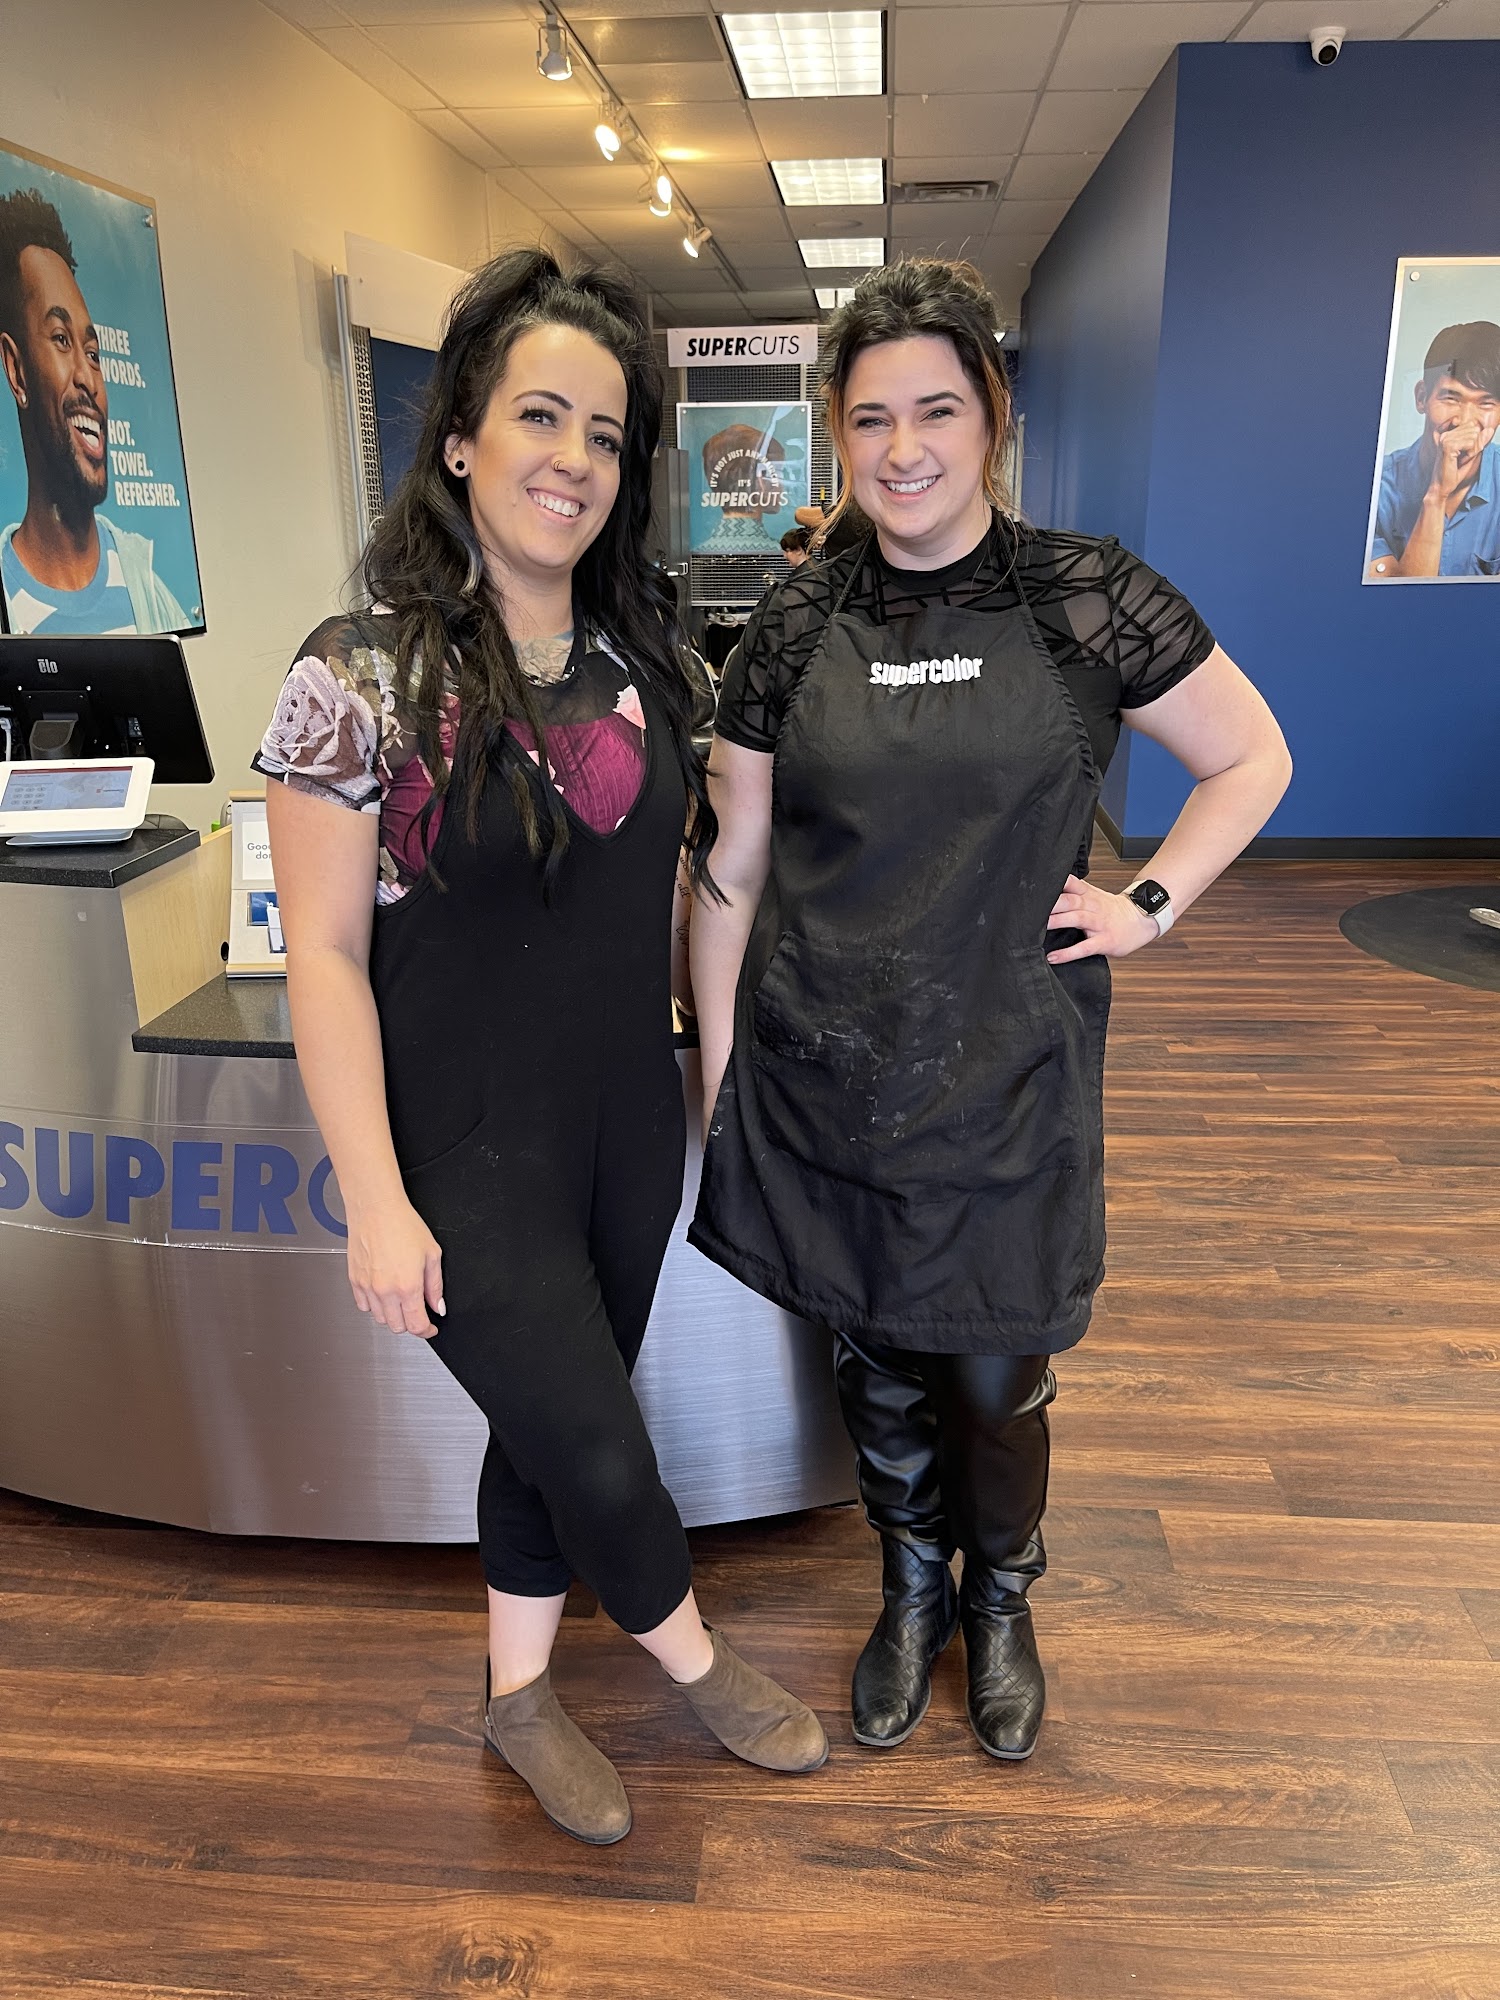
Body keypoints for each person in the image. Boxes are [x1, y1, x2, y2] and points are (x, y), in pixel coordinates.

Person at [689, 258, 1291, 1764]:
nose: (903, 449)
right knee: (873, 1353)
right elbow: (731, 863)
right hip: (829, 1054)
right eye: (871, 417)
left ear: (992, 417)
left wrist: (1148, 904)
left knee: (995, 1366)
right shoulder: (794, 620)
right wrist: (718, 1071)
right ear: (837, 430)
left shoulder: (1086, 595)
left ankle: (1000, 1593)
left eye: (937, 411)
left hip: (1011, 1057)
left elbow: (1253, 757)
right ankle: (910, 1588)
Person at [258, 249, 825, 1846]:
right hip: (457, 1145)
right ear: (459, 436)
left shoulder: (655, 664)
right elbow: (323, 957)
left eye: (606, 433)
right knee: (599, 1446)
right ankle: (695, 1658)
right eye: (539, 416)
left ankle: (517, 1693)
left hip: (625, 1128)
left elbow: (693, 888)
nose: (574, 458)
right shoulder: (355, 675)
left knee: (546, 1427)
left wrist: (715, 1074)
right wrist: (373, 1198)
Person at [0, 189, 188, 634]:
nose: (89, 378)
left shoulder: (146, 587)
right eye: (61, 339)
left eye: (93, 353)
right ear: (17, 371)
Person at [1369, 321, 1500, 580]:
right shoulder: (1375, 487)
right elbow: (1400, 598)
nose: (1463, 421)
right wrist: (1437, 494)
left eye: (1486, 404)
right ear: (1421, 398)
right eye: (1451, 398)